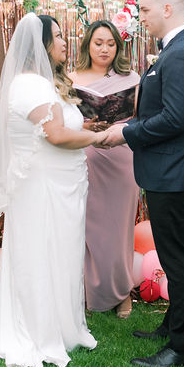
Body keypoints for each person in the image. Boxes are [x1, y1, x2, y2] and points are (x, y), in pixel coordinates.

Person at [0, 13, 106, 367]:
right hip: (44, 190)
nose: (65, 42)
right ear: (41, 45)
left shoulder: (40, 83)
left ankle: (62, 326)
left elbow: (53, 126)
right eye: (58, 36)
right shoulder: (32, 86)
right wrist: (101, 137)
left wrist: (84, 126)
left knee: (59, 255)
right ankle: (38, 332)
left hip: (59, 186)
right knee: (43, 255)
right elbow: (57, 135)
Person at [103, 0, 184, 367]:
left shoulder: (181, 54)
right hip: (168, 169)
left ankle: (183, 349)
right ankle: (172, 326)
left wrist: (126, 133)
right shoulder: (174, 50)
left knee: (178, 258)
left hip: (176, 171)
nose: (141, 17)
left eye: (145, 10)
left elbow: (175, 119)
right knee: (173, 253)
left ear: (168, 9)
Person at [70, 20, 141, 319]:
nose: (104, 49)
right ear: (88, 44)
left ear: (118, 47)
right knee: (89, 228)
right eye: (98, 43)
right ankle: (91, 292)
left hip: (122, 155)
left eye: (110, 44)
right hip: (86, 155)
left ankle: (122, 293)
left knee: (120, 228)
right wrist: (85, 124)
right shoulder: (71, 77)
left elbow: (142, 116)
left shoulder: (132, 77)